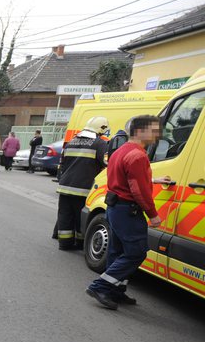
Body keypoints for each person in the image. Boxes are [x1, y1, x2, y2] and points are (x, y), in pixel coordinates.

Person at [86, 116, 162, 309]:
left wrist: (153, 179)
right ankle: (101, 286)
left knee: (117, 251)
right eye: (154, 130)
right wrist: (152, 214)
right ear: (141, 131)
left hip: (116, 208)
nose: (157, 135)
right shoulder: (138, 155)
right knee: (136, 253)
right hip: (128, 210)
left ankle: (116, 291)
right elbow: (138, 189)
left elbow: (126, 179)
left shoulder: (121, 151)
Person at [55, 116, 109, 250]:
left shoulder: (71, 142)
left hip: (65, 186)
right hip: (83, 188)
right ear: (101, 129)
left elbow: (63, 164)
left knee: (65, 215)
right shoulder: (99, 144)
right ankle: (80, 243)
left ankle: (64, 243)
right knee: (80, 217)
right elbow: (108, 163)